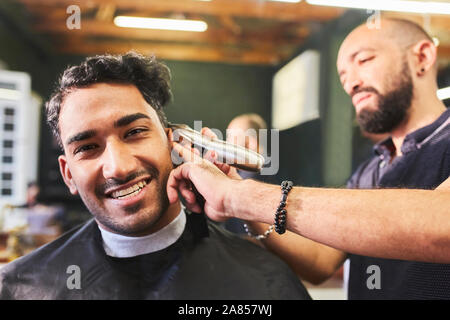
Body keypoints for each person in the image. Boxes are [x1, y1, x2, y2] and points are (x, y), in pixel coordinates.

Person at [167, 18, 450, 299]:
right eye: (342, 75)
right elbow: (319, 260)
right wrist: (236, 193)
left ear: (422, 57)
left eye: (364, 60)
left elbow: (443, 224)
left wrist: (239, 196)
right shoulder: (370, 170)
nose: (351, 83)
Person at [0, 52, 311, 300]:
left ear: (173, 142)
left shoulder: (264, 281)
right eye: (88, 147)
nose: (118, 168)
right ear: (68, 174)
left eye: (135, 132)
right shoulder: (22, 288)